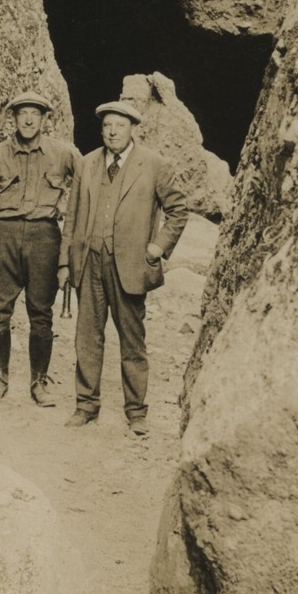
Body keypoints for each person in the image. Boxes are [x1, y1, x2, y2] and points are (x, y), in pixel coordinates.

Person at [66, 99, 189, 436]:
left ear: (134, 128)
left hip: (131, 266)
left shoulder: (154, 164)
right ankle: (86, 406)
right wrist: (68, 261)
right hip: (90, 262)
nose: (113, 131)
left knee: (132, 342)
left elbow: (178, 210)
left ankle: (136, 412)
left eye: (120, 125)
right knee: (87, 338)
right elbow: (72, 217)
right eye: (107, 126)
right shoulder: (87, 163)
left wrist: (158, 247)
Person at [0, 90, 79, 407]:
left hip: (43, 238)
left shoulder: (62, 153)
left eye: (35, 113)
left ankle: (39, 383)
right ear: (13, 117)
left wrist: (67, 250)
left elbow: (89, 183)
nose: (28, 119)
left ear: (45, 119)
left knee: (41, 314)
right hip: (2, 236)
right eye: (22, 113)